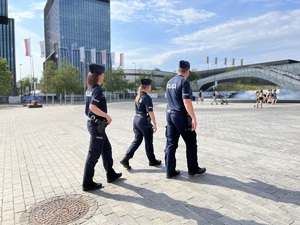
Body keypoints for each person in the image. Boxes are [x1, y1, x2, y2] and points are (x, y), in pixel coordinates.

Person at [82, 64, 122, 191]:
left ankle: (110, 174)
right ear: (99, 76)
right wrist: (107, 117)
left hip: (95, 124)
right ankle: (87, 182)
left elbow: (87, 110)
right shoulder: (97, 90)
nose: (103, 77)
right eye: (102, 75)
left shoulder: (89, 89)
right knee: (93, 154)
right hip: (96, 126)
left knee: (106, 149)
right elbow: (92, 107)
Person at [165, 60, 206, 178]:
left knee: (171, 144)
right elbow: (186, 101)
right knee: (191, 141)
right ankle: (193, 169)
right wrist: (193, 117)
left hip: (169, 114)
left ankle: (169, 170)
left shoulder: (169, 82)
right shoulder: (184, 82)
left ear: (178, 69)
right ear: (187, 71)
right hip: (180, 116)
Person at [120, 78, 161, 170]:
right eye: (150, 86)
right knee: (148, 141)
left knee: (137, 140)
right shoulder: (147, 97)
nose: (150, 88)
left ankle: (126, 158)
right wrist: (154, 124)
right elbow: (150, 112)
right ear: (148, 87)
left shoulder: (138, 96)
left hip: (136, 119)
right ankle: (152, 160)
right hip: (143, 120)